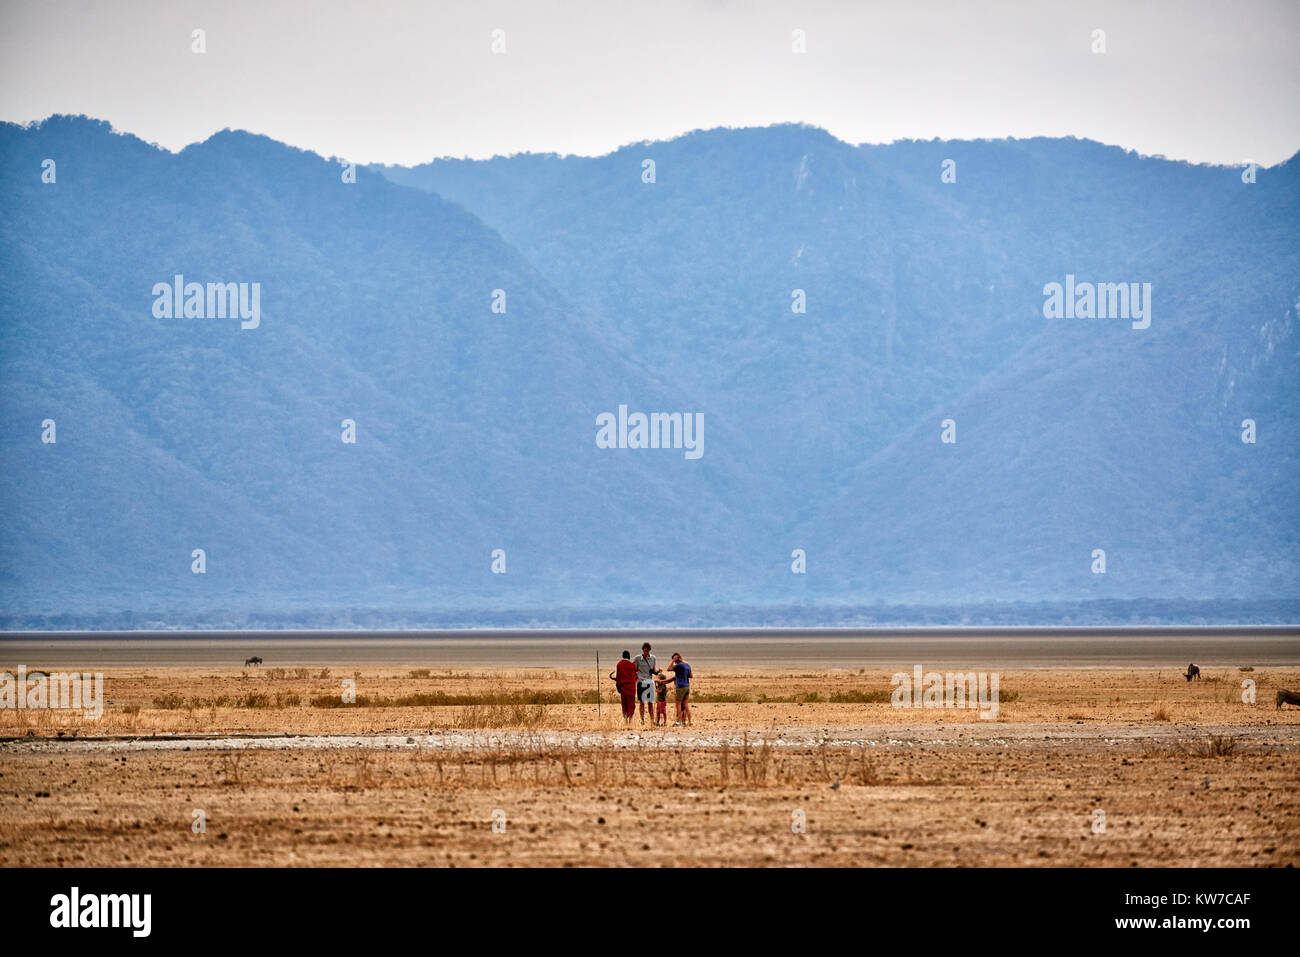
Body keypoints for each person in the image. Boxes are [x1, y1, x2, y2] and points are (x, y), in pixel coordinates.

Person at [633, 642, 660, 726]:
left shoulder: (653, 658)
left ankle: (652, 720)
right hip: (641, 682)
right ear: (642, 650)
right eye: (644, 650)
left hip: (649, 681)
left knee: (650, 702)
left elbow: (654, 670)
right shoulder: (637, 658)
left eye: (647, 650)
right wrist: (636, 679)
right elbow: (634, 669)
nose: (646, 652)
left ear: (649, 650)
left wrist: (657, 672)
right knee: (641, 702)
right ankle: (642, 720)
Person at [610, 650, 638, 723]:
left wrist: (618, 687)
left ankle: (625, 720)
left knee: (624, 703)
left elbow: (618, 677)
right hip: (632, 688)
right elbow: (636, 674)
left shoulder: (619, 664)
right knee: (631, 704)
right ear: (629, 656)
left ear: (622, 656)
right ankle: (630, 720)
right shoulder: (632, 665)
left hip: (623, 688)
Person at [668, 652, 692, 726]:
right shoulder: (687, 665)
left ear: (675, 659)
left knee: (678, 704)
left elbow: (668, 669)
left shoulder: (678, 665)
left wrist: (672, 661)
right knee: (686, 705)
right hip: (687, 686)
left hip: (680, 686)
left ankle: (678, 722)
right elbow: (691, 676)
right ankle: (690, 721)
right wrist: (683, 675)